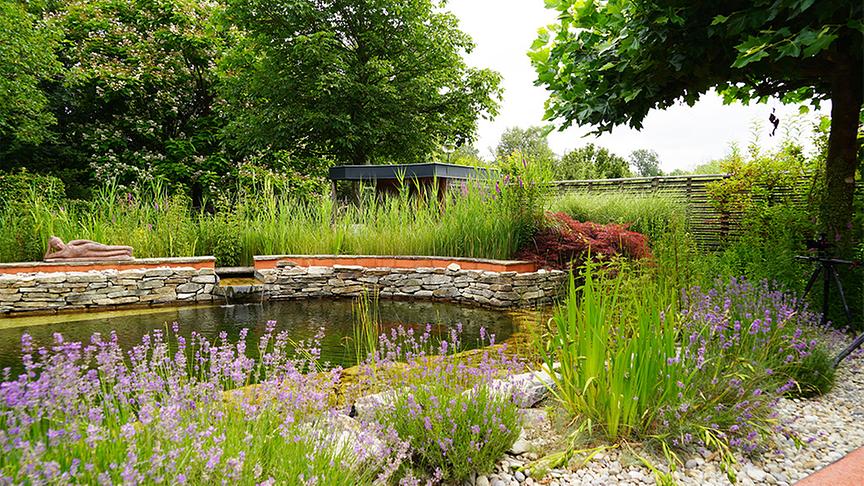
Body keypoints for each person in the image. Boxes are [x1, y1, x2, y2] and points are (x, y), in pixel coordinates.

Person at [43, 236, 134, 261]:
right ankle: (124, 253)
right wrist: (49, 247)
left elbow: (83, 241)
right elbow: (46, 257)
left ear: (61, 240)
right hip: (86, 254)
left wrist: (98, 244)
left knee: (107, 248)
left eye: (58, 242)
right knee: (107, 254)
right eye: (55, 245)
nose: (58, 245)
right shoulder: (60, 254)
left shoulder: (69, 244)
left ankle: (128, 248)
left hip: (88, 247)